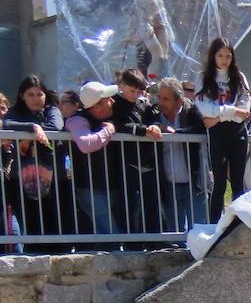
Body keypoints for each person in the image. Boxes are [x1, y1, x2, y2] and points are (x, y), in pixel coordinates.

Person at [196, 38, 251, 223]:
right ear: (213, 56)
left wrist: (220, 115)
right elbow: (204, 108)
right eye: (220, 55)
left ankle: (238, 225)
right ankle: (214, 226)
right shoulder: (204, 77)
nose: (224, 60)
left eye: (228, 56)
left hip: (237, 132)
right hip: (217, 134)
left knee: (238, 182)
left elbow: (244, 110)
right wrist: (231, 111)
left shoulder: (239, 76)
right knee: (219, 182)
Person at [2, 75, 64, 241]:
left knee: (54, 222)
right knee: (30, 223)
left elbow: (56, 126)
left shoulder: (52, 110)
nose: (36, 99)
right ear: (22, 96)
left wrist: (28, 136)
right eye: (31, 94)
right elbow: (6, 124)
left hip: (52, 178)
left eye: (40, 94)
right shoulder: (15, 112)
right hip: (23, 178)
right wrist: (32, 127)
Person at [111, 68, 164, 237]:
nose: (135, 95)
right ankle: (129, 240)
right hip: (128, 160)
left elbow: (153, 117)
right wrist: (142, 131)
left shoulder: (143, 104)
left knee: (152, 203)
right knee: (129, 204)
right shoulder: (114, 103)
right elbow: (117, 124)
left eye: (138, 91)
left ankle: (154, 240)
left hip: (147, 160)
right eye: (132, 90)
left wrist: (155, 125)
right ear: (122, 85)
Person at [150, 77, 208, 230]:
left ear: (179, 101)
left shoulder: (192, 112)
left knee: (199, 230)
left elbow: (201, 129)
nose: (161, 102)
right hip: (167, 185)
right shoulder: (153, 113)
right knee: (173, 232)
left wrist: (176, 133)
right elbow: (145, 124)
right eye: (159, 97)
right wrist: (156, 126)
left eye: (166, 99)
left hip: (194, 184)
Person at [66, 81, 122, 235]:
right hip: (90, 187)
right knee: (110, 234)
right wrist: (108, 131)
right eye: (108, 100)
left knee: (109, 233)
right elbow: (86, 144)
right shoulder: (77, 120)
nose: (113, 102)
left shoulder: (112, 115)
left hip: (112, 184)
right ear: (96, 106)